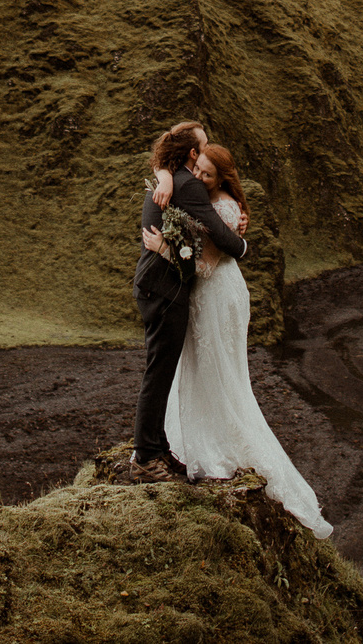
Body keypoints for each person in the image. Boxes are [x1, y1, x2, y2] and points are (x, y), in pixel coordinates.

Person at [158, 142, 332, 537]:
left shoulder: (223, 209)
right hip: (214, 294)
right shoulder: (209, 201)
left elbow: (204, 266)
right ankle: (197, 434)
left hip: (217, 296)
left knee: (220, 370)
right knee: (208, 366)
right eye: (197, 169)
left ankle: (220, 445)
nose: (199, 177)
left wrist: (165, 249)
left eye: (207, 174)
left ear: (221, 178)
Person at [129, 120, 242, 480]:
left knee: (160, 370)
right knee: (158, 374)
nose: (206, 151)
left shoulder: (168, 179)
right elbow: (219, 234)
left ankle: (159, 448)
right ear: (192, 153)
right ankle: (146, 458)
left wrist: (162, 172)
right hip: (164, 290)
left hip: (154, 287)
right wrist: (240, 239)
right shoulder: (187, 185)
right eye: (203, 146)